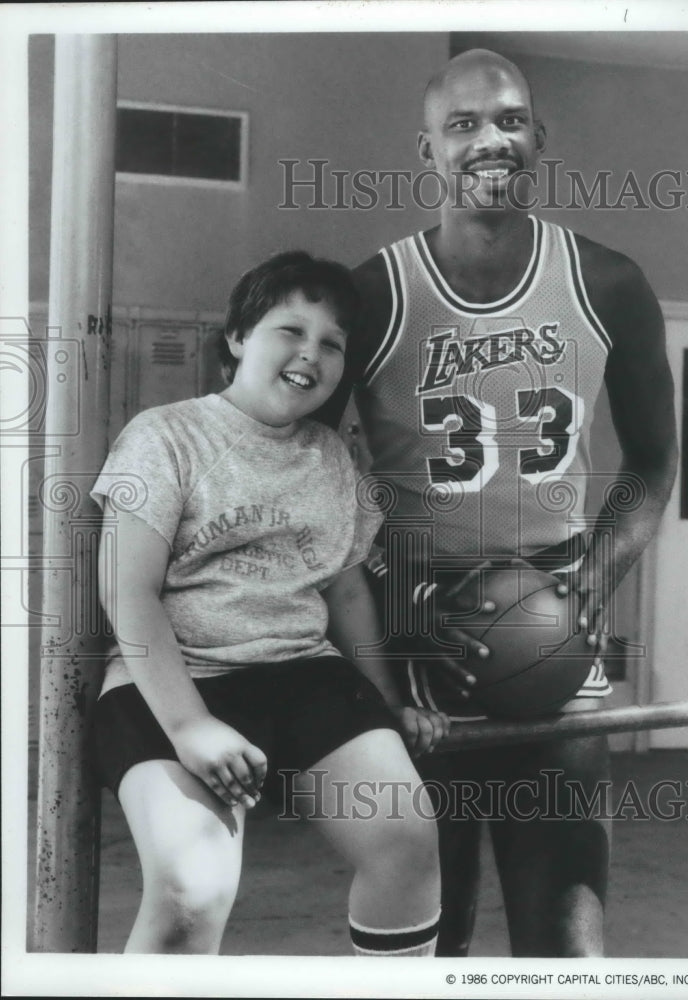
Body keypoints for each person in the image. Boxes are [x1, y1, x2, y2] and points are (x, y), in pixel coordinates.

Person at [322, 49, 678, 957]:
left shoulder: (607, 282)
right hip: (416, 647)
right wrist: (388, 623)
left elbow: (652, 461)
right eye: (464, 124)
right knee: (429, 942)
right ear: (425, 149)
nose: (491, 140)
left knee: (566, 949)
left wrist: (593, 582)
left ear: (538, 139)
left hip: (553, 638)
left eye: (510, 120)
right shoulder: (372, 294)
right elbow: (311, 482)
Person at [90, 251, 450, 956]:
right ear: (237, 338)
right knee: (192, 889)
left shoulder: (330, 455)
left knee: (406, 839)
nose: (309, 354)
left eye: (331, 343)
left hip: (300, 671)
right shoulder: (165, 435)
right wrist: (191, 725)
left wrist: (385, 700)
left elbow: (345, 586)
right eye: (289, 330)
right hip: (173, 677)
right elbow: (125, 590)